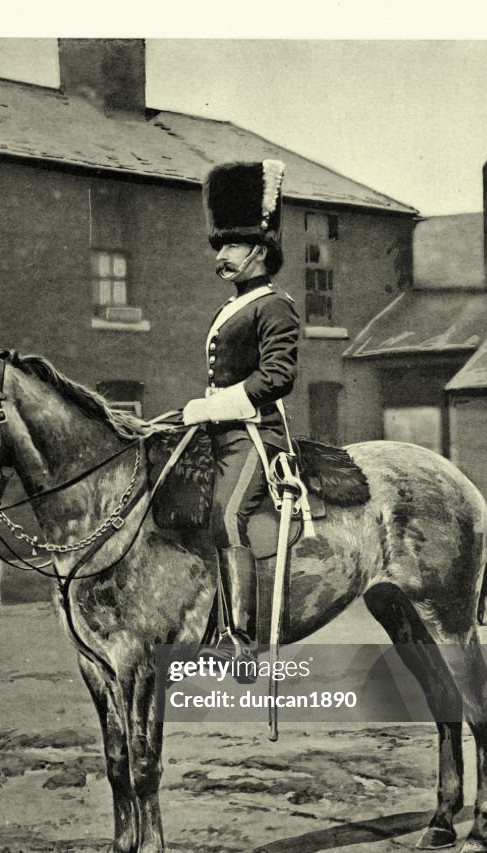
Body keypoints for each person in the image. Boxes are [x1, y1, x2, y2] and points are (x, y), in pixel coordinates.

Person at [182, 160, 299, 649]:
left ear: (260, 249)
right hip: (220, 434)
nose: (222, 257)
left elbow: (278, 376)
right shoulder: (231, 305)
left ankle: (240, 635)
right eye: (220, 246)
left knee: (228, 516)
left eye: (232, 246)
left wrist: (214, 407)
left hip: (255, 434)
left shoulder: (274, 305)